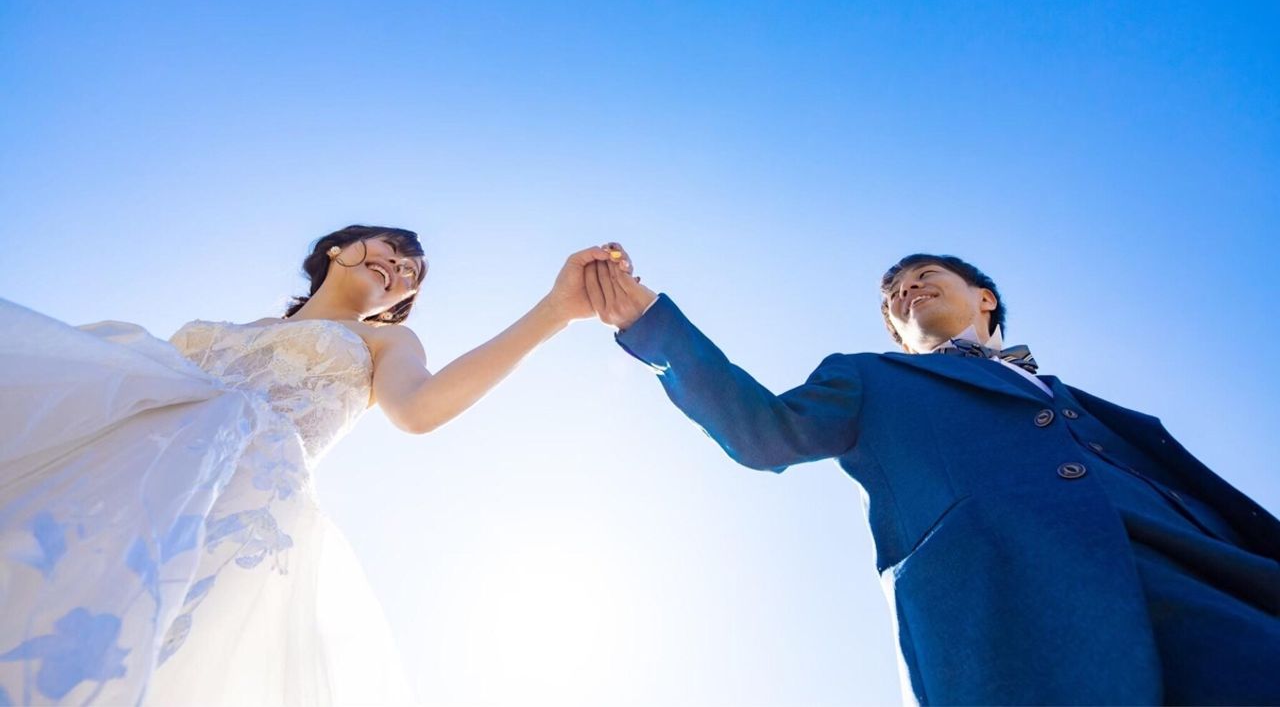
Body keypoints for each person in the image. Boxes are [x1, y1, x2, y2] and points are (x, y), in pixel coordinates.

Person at [585, 250, 1280, 705]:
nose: (905, 288)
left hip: (1209, 575)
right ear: (894, 331)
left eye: (923, 275)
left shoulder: (1076, 398)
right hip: (1025, 614)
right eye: (894, 292)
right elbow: (764, 433)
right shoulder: (868, 377)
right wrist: (649, 323)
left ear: (985, 299)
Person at [0, 224, 621, 706]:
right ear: (337, 249)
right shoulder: (215, 330)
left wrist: (553, 311)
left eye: (411, 273)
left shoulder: (383, 341)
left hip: (238, 505)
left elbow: (420, 410)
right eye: (394, 249)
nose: (401, 267)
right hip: (126, 471)